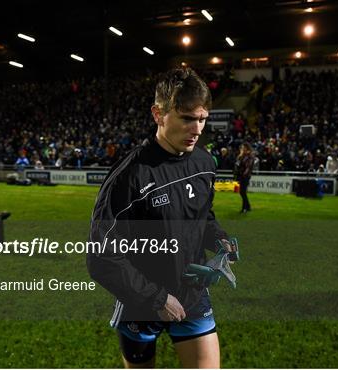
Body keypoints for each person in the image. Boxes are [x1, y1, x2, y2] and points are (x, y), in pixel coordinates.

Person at [87, 68, 237, 368]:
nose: (197, 129)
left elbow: (202, 217)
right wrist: (156, 299)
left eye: (202, 119)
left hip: (193, 296)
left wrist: (220, 239)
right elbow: (101, 257)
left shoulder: (205, 163)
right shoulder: (128, 178)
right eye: (186, 118)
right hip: (142, 304)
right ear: (158, 114)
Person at [234, 142, 255, 213]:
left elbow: (248, 167)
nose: (242, 149)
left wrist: (244, 174)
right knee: (242, 192)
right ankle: (247, 207)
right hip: (241, 175)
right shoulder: (242, 156)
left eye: (243, 148)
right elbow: (237, 164)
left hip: (245, 176)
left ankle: (245, 208)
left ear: (246, 148)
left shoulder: (250, 156)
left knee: (242, 192)